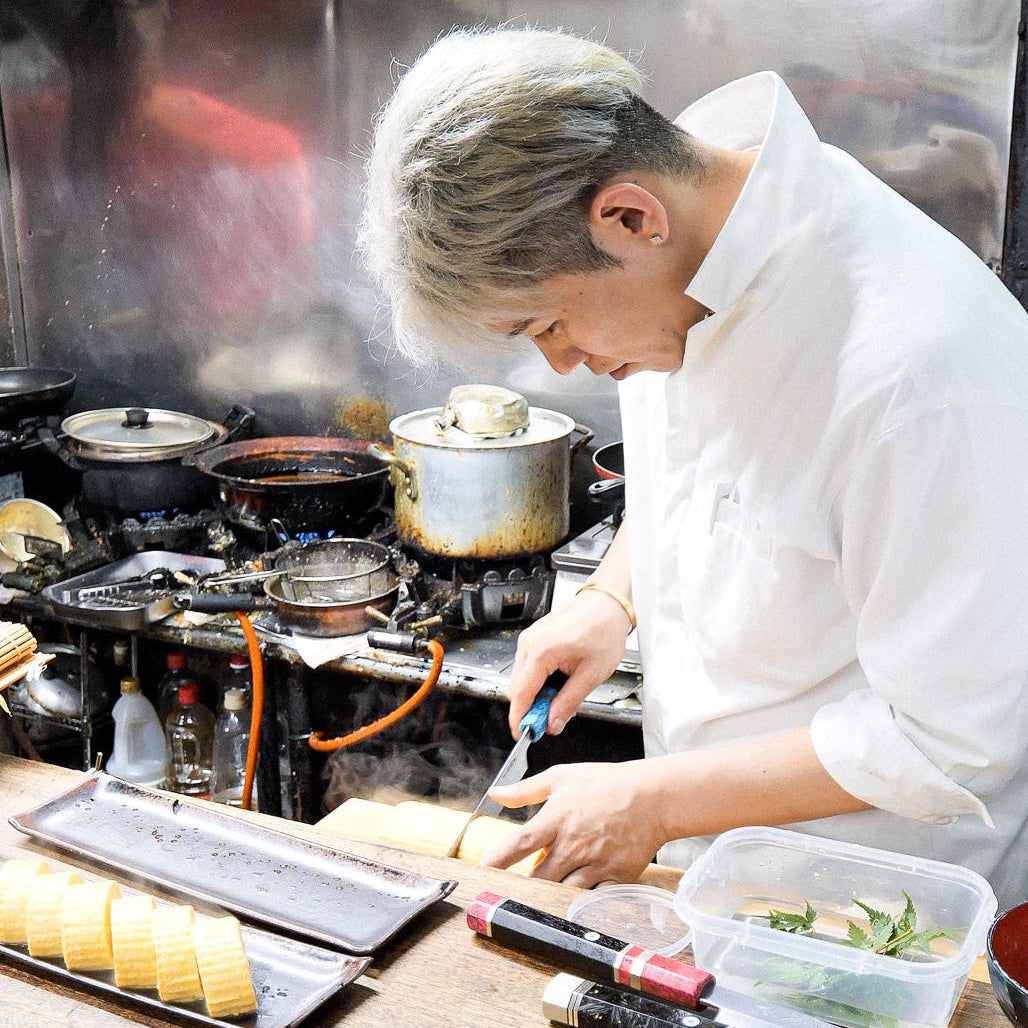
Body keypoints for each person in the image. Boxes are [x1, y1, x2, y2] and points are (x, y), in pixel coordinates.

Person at [359, 26, 1028, 905]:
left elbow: (951, 743)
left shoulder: (919, 378)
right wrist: (610, 600)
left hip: (877, 907)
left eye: (548, 325)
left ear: (630, 217)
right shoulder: (687, 254)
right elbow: (701, 475)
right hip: (714, 878)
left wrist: (655, 801)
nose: (562, 363)